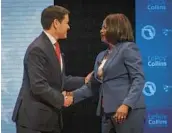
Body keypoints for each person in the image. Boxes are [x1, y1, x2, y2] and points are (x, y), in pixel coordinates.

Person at [12, 5, 91, 133]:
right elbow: (38, 86)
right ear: (55, 23)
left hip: (49, 120)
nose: (69, 27)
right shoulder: (38, 49)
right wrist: (63, 100)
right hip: (34, 122)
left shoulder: (53, 46)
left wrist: (84, 80)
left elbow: (60, 80)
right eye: (66, 22)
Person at [68, 13, 146, 133]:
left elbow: (138, 79)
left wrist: (126, 104)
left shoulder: (128, 48)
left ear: (117, 28)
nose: (101, 31)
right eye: (102, 27)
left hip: (127, 112)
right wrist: (71, 96)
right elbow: (93, 86)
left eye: (105, 28)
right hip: (106, 112)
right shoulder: (101, 56)